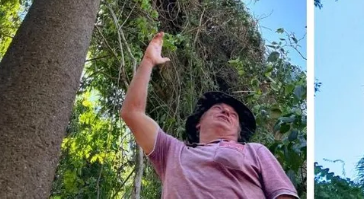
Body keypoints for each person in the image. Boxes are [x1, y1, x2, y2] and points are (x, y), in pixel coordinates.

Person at [120, 32, 298, 199]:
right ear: (198, 122)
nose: (226, 112)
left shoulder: (254, 151)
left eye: (233, 115)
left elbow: (283, 195)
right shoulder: (171, 152)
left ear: (239, 131)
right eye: (218, 108)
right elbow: (132, 113)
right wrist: (148, 61)